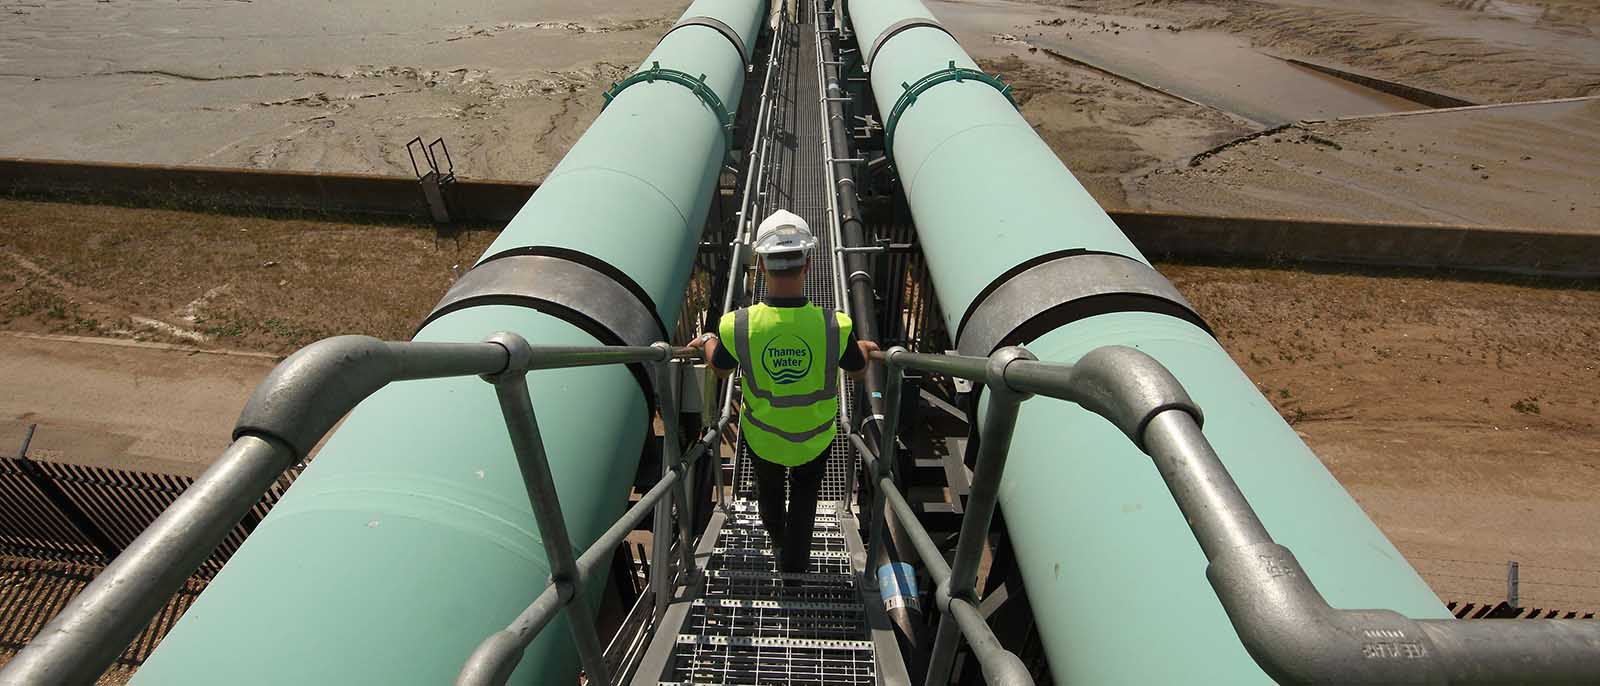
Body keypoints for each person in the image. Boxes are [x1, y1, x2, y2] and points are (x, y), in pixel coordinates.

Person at [689, 209, 877, 575]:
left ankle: (776, 538)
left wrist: (709, 340)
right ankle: (794, 565)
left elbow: (722, 367)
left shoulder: (737, 325)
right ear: (808, 264)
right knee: (805, 498)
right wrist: (865, 350)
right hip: (815, 438)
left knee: (770, 492)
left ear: (760, 265)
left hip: (764, 438)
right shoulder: (834, 326)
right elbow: (856, 370)